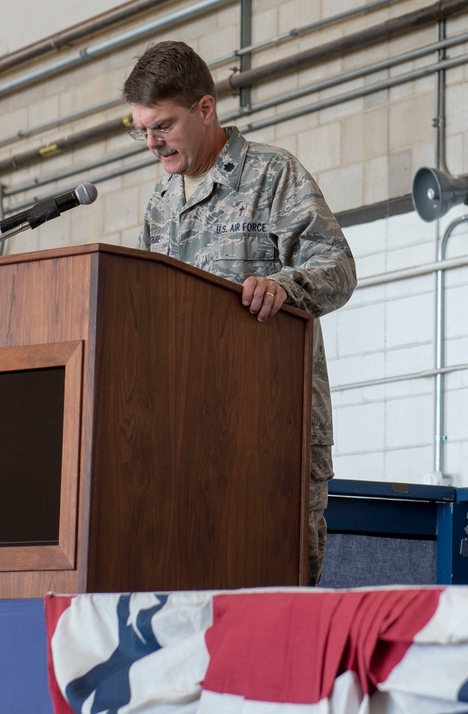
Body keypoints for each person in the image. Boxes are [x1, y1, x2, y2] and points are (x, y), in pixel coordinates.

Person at [122, 40, 357, 585]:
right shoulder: (161, 207)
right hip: (184, 441)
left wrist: (284, 286)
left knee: (277, 600)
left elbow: (339, 269)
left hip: (272, 434)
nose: (152, 143)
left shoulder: (273, 177)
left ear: (206, 109)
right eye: (142, 130)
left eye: (163, 126)